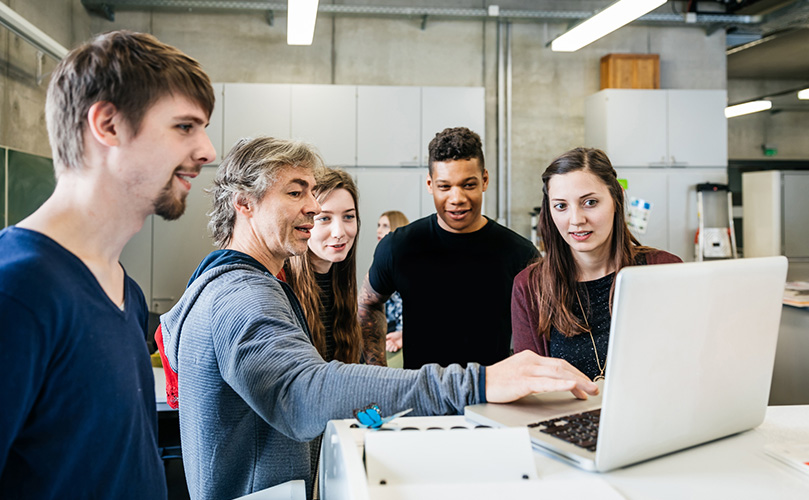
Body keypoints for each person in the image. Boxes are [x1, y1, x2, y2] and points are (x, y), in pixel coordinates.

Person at [159, 136, 598, 500]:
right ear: (244, 204)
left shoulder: (237, 283)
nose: (312, 208)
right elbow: (301, 392)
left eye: (313, 192)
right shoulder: (243, 294)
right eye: (296, 192)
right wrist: (478, 383)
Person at [0, 31, 215, 498]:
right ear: (109, 125)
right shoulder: (16, 290)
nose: (207, 151)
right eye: (184, 127)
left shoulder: (125, 290)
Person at [359, 127, 539, 368]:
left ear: (484, 180)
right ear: (430, 184)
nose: (457, 198)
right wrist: (377, 370)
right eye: (445, 187)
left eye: (468, 185)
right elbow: (368, 304)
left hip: (491, 400)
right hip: (421, 397)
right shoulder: (398, 247)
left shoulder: (520, 254)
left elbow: (544, 323)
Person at [511, 147, 682, 381]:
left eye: (590, 202)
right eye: (561, 206)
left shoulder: (665, 270)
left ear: (616, 199)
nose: (576, 220)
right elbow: (531, 388)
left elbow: (688, 366)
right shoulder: (529, 287)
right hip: (567, 417)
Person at [284, 167, 362, 363]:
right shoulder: (281, 287)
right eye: (325, 218)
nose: (339, 232)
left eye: (348, 217)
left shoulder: (342, 280)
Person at [376, 210, 409, 353]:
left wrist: (403, 335)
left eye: (385, 226)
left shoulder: (405, 264)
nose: (379, 230)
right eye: (378, 225)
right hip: (384, 331)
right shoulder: (383, 260)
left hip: (399, 336)